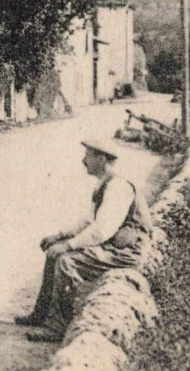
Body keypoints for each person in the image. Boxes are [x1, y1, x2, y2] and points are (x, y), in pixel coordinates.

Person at [16, 136, 155, 342]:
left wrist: (68, 246)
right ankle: (41, 314)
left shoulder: (118, 187)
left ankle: (57, 326)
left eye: (88, 156)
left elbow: (101, 230)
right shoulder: (105, 184)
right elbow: (88, 221)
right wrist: (60, 237)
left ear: (101, 158)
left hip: (127, 252)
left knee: (66, 261)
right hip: (115, 247)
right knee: (54, 251)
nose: (84, 161)